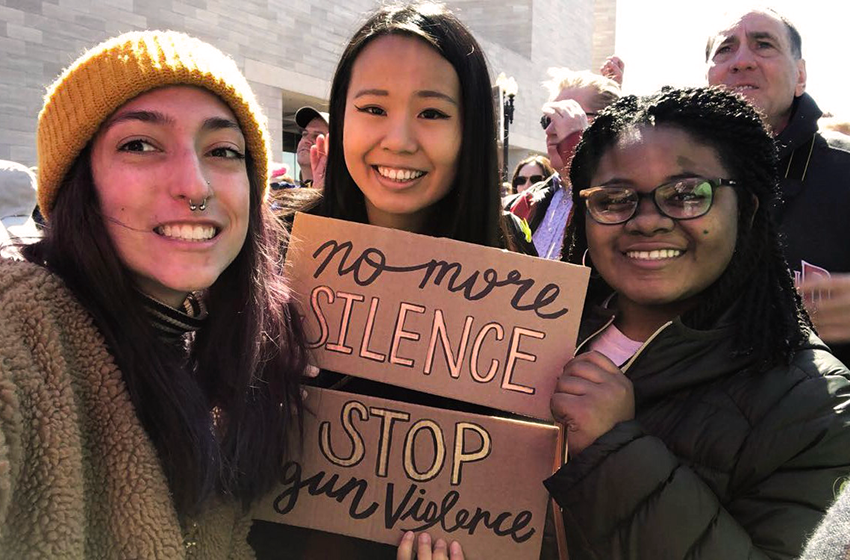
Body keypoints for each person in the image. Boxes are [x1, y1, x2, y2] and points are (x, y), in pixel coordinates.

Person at [0, 30, 311, 557]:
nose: (195, 186)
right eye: (139, 145)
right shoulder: (18, 326)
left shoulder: (236, 356)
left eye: (223, 151)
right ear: (78, 182)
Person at [545, 87, 850, 558]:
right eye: (614, 198)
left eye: (687, 194)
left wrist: (616, 452)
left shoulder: (816, 404)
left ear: (746, 210)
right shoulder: (533, 330)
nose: (646, 221)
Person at [705, 7, 850, 366]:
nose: (741, 61)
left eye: (763, 44)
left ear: (800, 76)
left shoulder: (844, 169)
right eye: (725, 49)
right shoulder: (667, 177)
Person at [505, 68, 620, 259]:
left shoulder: (623, 198)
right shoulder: (530, 200)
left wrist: (579, 150)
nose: (550, 130)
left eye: (566, 117)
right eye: (547, 120)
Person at [294, 106, 329, 188]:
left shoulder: (344, 197)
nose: (306, 140)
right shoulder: (279, 197)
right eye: (305, 134)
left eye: (316, 136)